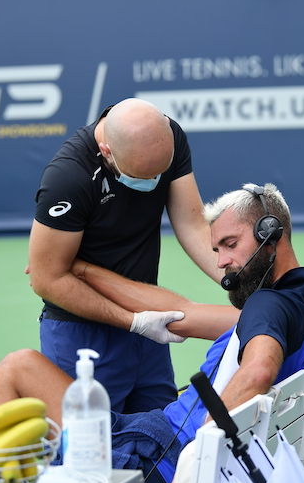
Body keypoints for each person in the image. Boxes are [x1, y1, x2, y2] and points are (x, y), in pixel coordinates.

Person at [0, 183, 304, 483]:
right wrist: (76, 268)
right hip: (168, 446)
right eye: (218, 250)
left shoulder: (267, 305)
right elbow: (180, 312)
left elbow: (258, 371)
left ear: (269, 233)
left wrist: (200, 454)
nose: (223, 263)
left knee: (16, 369)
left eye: (230, 244)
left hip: (161, 460)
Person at [29, 97, 222, 415]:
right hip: (83, 336)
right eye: (143, 176)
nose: (153, 184)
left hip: (149, 327)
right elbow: (47, 279)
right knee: (90, 453)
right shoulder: (68, 179)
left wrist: (237, 283)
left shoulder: (166, 137)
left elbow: (192, 225)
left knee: (162, 445)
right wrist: (133, 322)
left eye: (159, 174)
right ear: (107, 152)